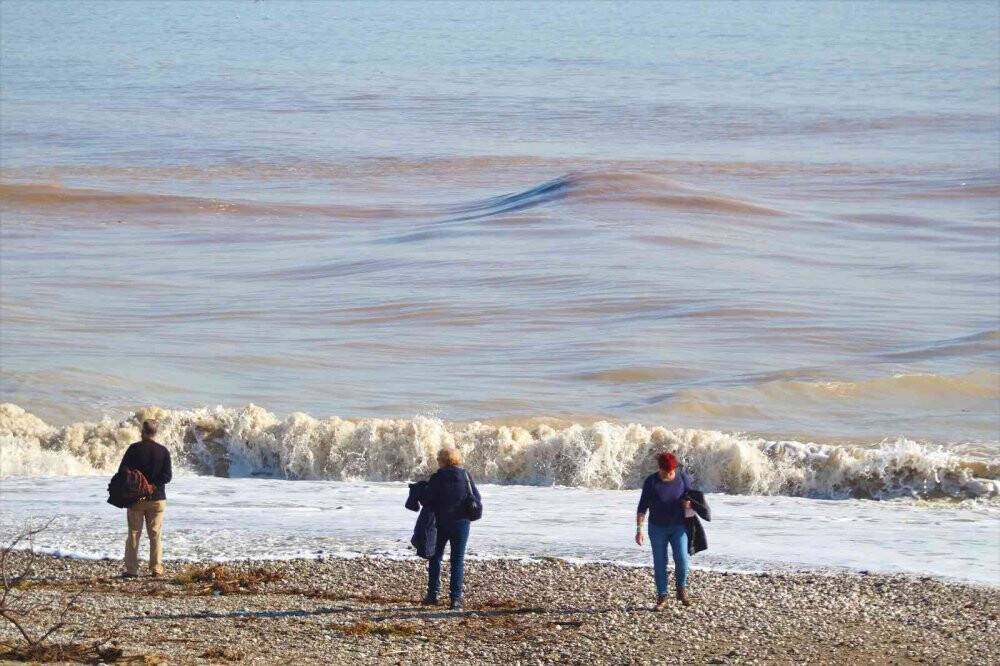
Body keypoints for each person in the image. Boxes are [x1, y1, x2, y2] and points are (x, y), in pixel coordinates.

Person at [422, 447, 481, 610]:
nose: (437, 461)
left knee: (435, 557)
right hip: (461, 523)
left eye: (438, 459)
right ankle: (455, 599)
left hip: (440, 522)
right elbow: (476, 497)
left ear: (443, 460)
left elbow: (428, 500)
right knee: (457, 560)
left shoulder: (437, 477)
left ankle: (432, 594)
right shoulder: (465, 475)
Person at [636, 452, 693, 608]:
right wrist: (639, 530)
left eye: (672, 470)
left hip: (678, 527)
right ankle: (662, 596)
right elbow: (642, 508)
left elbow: (693, 499)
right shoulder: (651, 482)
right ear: (659, 468)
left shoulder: (682, 478)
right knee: (660, 562)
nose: (670, 473)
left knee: (682, 558)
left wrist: (689, 505)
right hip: (657, 528)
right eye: (666, 470)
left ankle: (681, 589)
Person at [118, 419, 172, 578]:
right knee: (155, 534)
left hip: (136, 498)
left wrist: (137, 484)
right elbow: (167, 476)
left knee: (134, 533)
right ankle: (156, 568)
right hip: (157, 499)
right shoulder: (163, 451)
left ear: (142, 431)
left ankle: (132, 570)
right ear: (156, 433)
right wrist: (153, 486)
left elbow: (123, 471)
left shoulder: (134, 449)